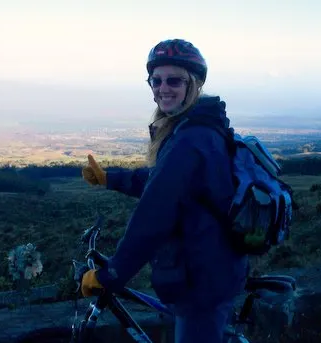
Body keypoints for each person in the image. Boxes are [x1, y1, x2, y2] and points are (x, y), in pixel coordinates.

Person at [80, 38, 250, 343]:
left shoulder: (190, 140)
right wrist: (110, 178)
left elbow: (153, 218)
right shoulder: (196, 128)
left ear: (194, 84)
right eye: (155, 80)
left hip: (202, 281)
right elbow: (166, 183)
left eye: (174, 80)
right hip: (215, 268)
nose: (163, 88)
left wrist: (111, 276)